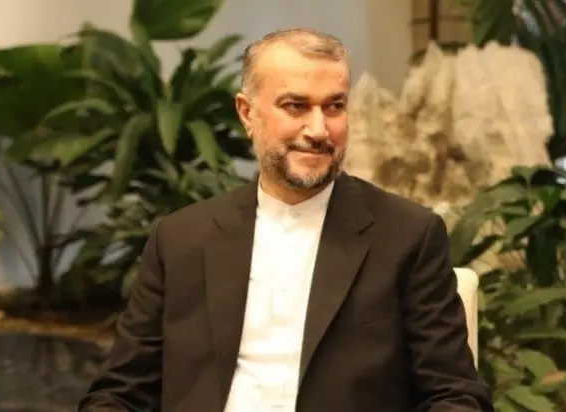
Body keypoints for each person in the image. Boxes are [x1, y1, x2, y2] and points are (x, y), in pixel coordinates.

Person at [79, 28, 494, 412]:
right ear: (247, 113)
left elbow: (454, 394)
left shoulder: (406, 236)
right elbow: (120, 393)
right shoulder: (181, 238)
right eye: (296, 106)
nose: (319, 129)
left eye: (334, 106)